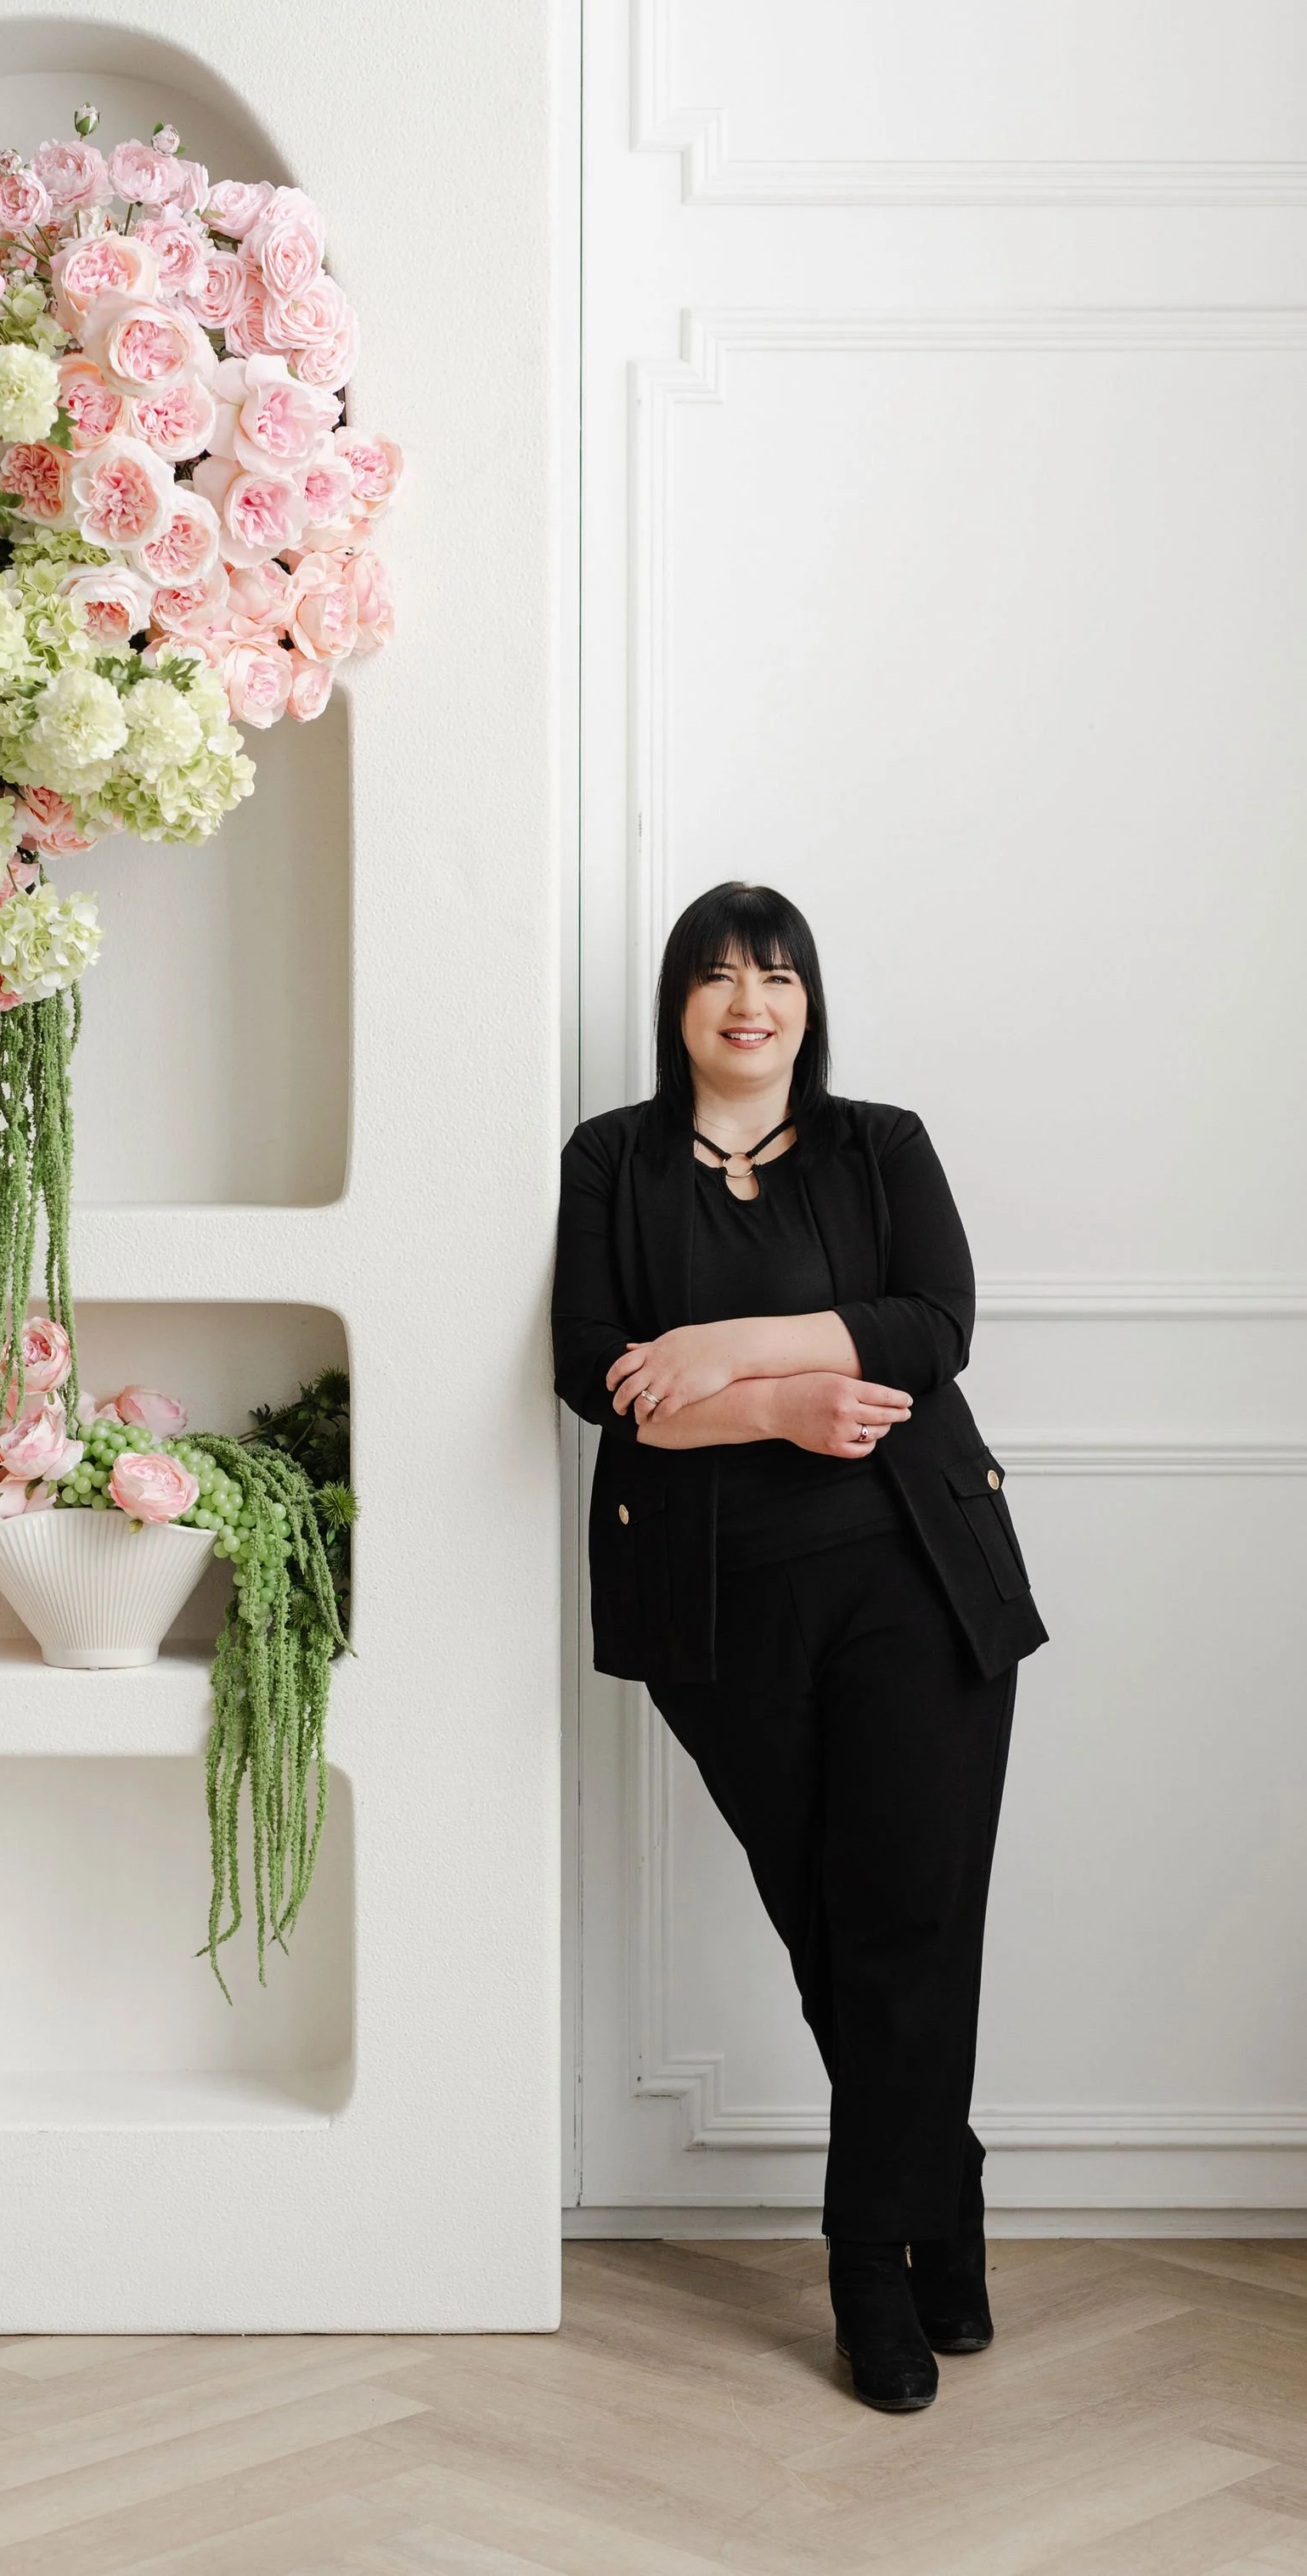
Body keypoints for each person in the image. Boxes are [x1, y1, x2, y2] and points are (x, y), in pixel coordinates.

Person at [552, 880, 1047, 2413]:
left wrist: (720, 1350)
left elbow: (934, 1322)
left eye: (775, 975)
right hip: (719, 1608)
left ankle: (865, 2265)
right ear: (678, 1007)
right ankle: (942, 2191)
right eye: (714, 977)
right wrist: (775, 1406)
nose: (747, 1002)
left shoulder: (879, 1145)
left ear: (810, 1000)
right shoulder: (613, 1161)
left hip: (918, 1578)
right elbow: (592, 1371)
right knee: (832, 1919)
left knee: (908, 1915)